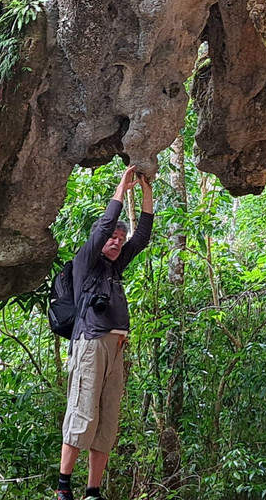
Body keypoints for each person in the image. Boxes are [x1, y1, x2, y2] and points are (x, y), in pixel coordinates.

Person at [56, 164, 154, 500]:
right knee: (82, 411)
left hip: (116, 346)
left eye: (119, 239)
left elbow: (142, 236)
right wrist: (121, 187)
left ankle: (93, 491)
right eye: (113, 238)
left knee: (107, 419)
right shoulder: (86, 261)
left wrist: (145, 190)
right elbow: (103, 225)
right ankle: (63, 487)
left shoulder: (116, 266)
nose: (116, 242)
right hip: (91, 342)